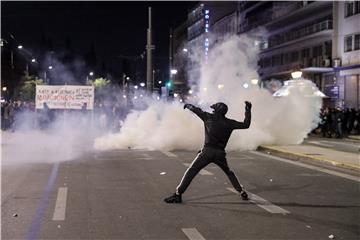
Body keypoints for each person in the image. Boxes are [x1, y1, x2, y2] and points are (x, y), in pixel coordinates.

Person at [164, 101, 252, 204]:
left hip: (207, 152)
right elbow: (246, 124)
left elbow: (196, 110)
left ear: (216, 111)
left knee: (191, 172)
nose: (213, 111)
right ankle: (241, 192)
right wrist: (248, 110)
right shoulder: (229, 123)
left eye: (214, 109)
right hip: (220, 154)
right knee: (229, 172)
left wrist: (188, 105)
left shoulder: (208, 117)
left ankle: (178, 195)